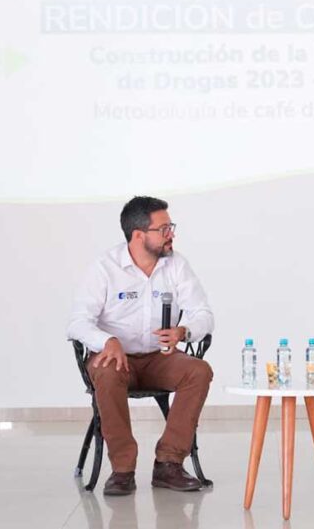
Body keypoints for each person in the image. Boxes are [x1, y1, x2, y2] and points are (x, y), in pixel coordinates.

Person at [67, 196, 214, 496]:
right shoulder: (105, 267)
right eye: (164, 229)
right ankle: (122, 470)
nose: (171, 235)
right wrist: (106, 341)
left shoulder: (177, 265)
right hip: (115, 359)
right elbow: (77, 323)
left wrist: (184, 331)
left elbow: (204, 315)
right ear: (138, 235)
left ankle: (169, 463)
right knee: (107, 372)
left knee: (199, 371)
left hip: (160, 358)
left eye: (171, 227)